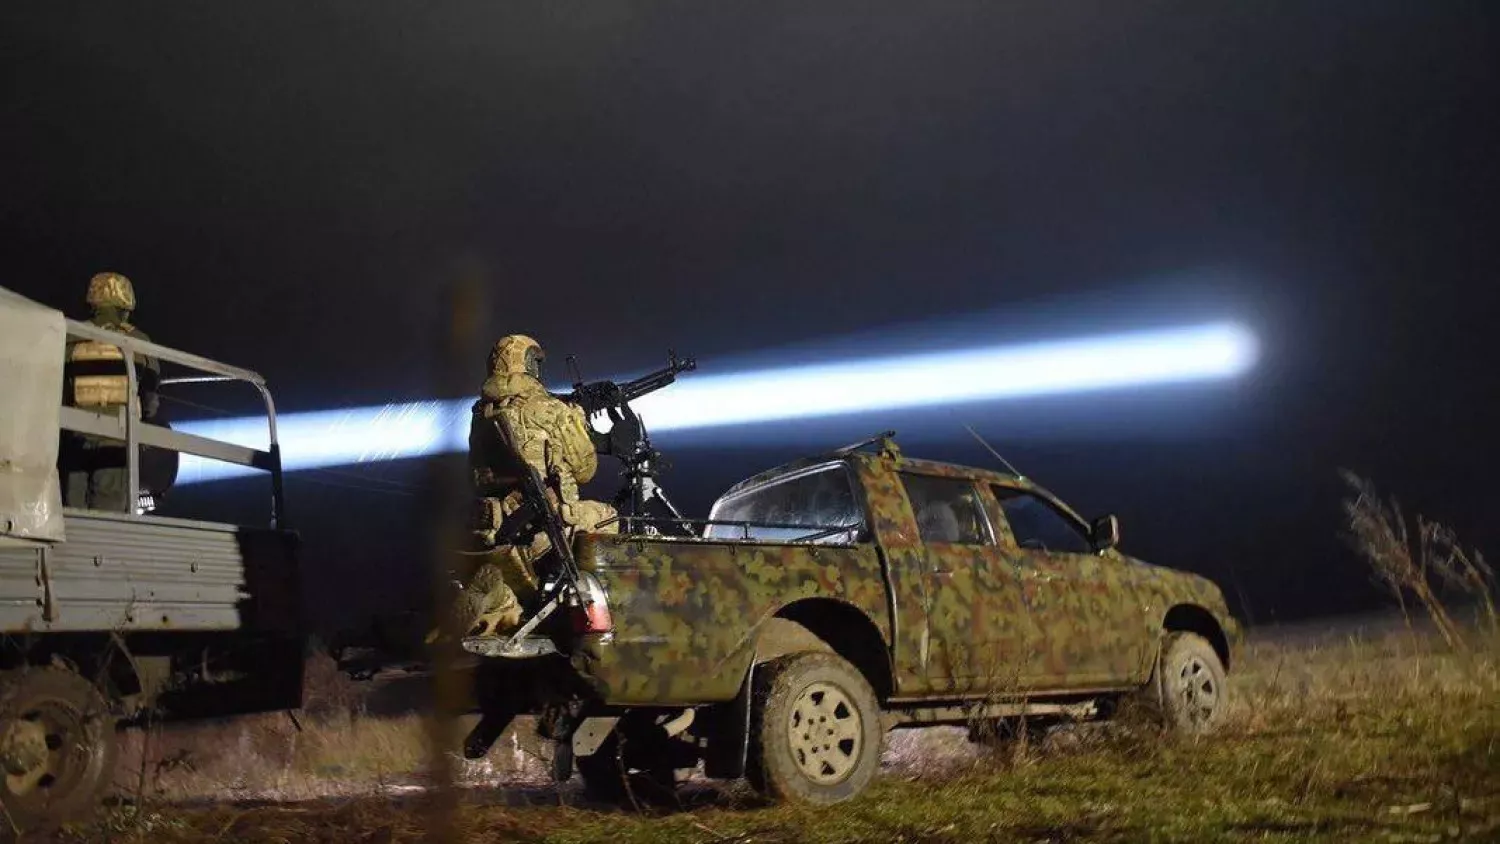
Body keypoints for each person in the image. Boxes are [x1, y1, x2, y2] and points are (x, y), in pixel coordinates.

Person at [450, 334, 618, 639]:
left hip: (497, 523)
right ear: (526, 363)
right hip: (543, 525)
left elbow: (475, 473)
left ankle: (502, 597)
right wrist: (577, 420)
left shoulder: (481, 414)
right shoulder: (550, 410)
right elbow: (585, 470)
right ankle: (580, 608)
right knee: (608, 517)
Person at [59, 272, 161, 512]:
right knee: (108, 516)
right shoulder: (138, 340)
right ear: (125, 305)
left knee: (72, 514)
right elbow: (150, 397)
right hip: (116, 442)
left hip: (75, 441)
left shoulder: (69, 334)